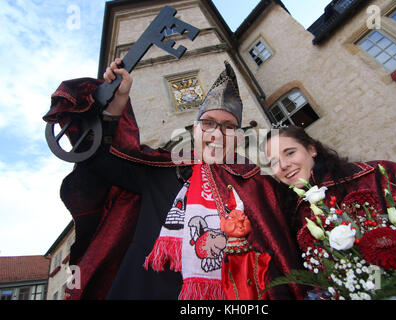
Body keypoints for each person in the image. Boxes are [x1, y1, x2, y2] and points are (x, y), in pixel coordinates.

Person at [43, 60, 304, 299]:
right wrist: (116, 104)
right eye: (209, 123)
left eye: (228, 126)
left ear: (238, 136)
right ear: (195, 130)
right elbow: (102, 158)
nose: (217, 133)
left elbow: (294, 230)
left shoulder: (260, 184)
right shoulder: (160, 168)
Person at [264, 125, 396, 244]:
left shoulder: (379, 174)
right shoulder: (296, 218)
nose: (283, 165)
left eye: (289, 153)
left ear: (311, 149)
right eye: (273, 162)